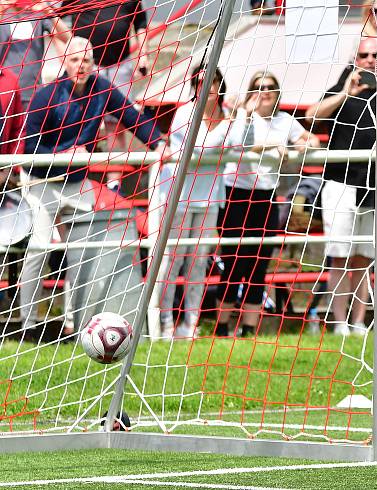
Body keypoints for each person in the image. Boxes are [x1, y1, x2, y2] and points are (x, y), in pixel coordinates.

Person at [18, 37, 164, 337]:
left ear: (93, 61)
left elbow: (132, 117)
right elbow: (29, 151)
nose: (80, 66)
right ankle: (27, 324)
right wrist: (65, 154)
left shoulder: (102, 89)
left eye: (85, 60)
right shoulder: (45, 96)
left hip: (77, 181)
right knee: (39, 248)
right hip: (42, 181)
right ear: (64, 63)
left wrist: (160, 143)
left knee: (84, 250)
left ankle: (77, 322)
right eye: (74, 60)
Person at [305, 36, 377, 336]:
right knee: (340, 256)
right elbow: (311, 116)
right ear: (355, 59)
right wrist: (345, 93)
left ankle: (357, 322)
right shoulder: (341, 89)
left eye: (375, 54)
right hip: (340, 184)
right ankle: (339, 322)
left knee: (365, 259)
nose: (369, 60)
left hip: (374, 187)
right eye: (364, 54)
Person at [215, 71, 319, 337]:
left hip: (267, 196)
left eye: (271, 87)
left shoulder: (285, 120)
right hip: (236, 194)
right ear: (251, 91)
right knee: (233, 263)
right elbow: (241, 146)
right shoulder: (241, 118)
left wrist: (300, 148)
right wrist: (270, 141)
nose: (265, 92)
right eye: (259, 87)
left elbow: (311, 139)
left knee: (259, 263)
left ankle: (249, 328)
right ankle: (223, 327)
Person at [159, 65, 247, 338]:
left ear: (220, 86)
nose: (207, 87)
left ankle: (190, 323)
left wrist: (239, 115)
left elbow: (240, 145)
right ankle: (164, 322)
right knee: (173, 261)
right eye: (201, 82)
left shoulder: (230, 118)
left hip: (209, 197)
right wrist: (231, 124)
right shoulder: (185, 113)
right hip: (179, 196)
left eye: (213, 82)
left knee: (198, 262)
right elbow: (200, 149)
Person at [60, 0, 151, 189]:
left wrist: (144, 55)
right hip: (86, 67)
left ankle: (114, 183)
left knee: (116, 125)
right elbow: (55, 20)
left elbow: (140, 23)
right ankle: (77, 178)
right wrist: (68, 53)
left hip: (120, 64)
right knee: (79, 120)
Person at [0, 0, 70, 109]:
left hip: (32, 92)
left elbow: (68, 38)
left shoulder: (37, 14)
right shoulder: (3, 15)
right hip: (5, 92)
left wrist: (48, 11)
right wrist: (2, 11)